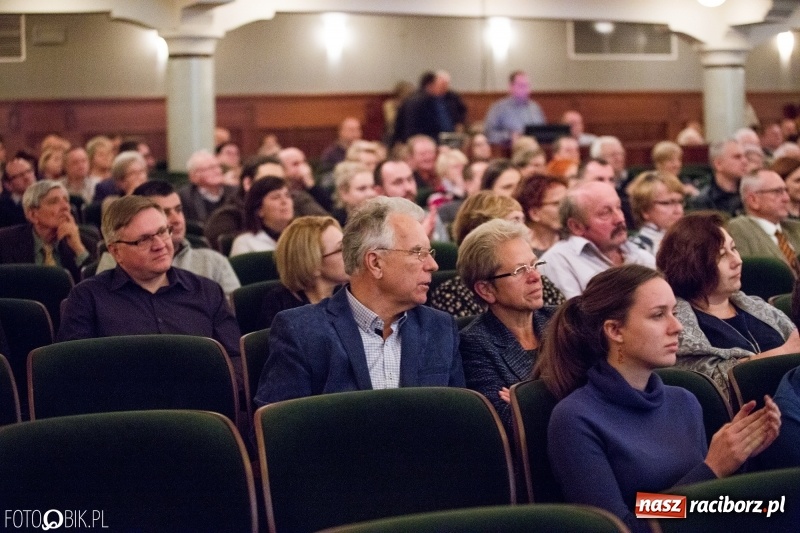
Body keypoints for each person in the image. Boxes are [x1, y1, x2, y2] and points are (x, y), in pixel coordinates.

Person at [535, 264, 781, 533]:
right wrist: (713, 468)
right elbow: (621, 526)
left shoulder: (684, 401)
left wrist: (742, 458)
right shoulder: (575, 418)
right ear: (615, 331)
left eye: (674, 313)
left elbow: (706, 508)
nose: (676, 327)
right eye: (658, 315)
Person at [253, 196, 465, 405]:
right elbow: (277, 429)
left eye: (430, 252)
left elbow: (457, 419)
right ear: (375, 263)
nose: (433, 265)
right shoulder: (302, 332)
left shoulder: (440, 327)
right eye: (418, 252)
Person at [57, 195, 241, 381]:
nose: (160, 245)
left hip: (202, 403)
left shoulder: (207, 291)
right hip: (125, 406)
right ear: (116, 251)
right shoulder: (87, 297)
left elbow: (235, 362)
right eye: (144, 240)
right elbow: (75, 371)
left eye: (162, 232)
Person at [657, 212, 800, 397]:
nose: (738, 261)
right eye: (722, 255)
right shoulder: (677, 325)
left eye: (735, 249)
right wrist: (783, 352)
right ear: (692, 264)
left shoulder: (756, 305)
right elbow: (710, 383)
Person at [458, 219, 556, 430]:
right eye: (520, 270)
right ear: (486, 290)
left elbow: (600, 397)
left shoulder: (561, 321)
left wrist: (527, 401)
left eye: (534, 264)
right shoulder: (475, 343)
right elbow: (508, 424)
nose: (535, 277)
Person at [429, 191, 565, 317]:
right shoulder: (453, 295)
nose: (527, 229)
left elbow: (566, 322)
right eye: (515, 221)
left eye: (534, 265)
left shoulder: (541, 283)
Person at [95, 181, 241, 297]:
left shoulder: (214, 261)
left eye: (178, 210)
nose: (176, 219)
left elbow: (231, 317)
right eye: (165, 212)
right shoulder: (116, 260)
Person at [539, 181, 655, 300]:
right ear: (576, 226)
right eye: (605, 213)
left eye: (619, 208)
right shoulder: (558, 261)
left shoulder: (639, 254)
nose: (619, 219)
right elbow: (572, 316)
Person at [257, 216, 349, 328]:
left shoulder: (350, 295)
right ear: (313, 263)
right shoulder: (280, 307)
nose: (351, 254)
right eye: (340, 249)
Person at [0, 180, 92, 281]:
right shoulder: (5, 241)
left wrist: (78, 248)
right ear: (33, 215)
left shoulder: (85, 241)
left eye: (66, 200)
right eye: (54, 202)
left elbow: (100, 287)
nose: (65, 207)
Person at [727, 169, 800, 275]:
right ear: (753, 200)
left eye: (786, 191)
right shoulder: (739, 228)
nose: (786, 198)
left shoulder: (796, 228)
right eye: (777, 192)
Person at [229, 176, 294, 256]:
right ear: (259, 210)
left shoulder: (301, 238)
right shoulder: (245, 243)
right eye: (276, 197)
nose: (284, 201)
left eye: (287, 196)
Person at [627, 171, 685, 256]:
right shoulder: (635, 250)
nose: (678, 210)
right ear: (644, 210)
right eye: (667, 203)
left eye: (680, 202)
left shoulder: (689, 243)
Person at [483, 71, 546, 147]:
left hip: (533, 151)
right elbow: (488, 133)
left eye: (527, 86)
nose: (526, 89)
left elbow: (543, 132)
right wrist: (509, 136)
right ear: (511, 87)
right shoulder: (499, 108)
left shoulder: (535, 108)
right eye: (521, 86)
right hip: (508, 151)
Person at [688, 139, 748, 217]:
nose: (745, 161)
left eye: (745, 156)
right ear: (718, 164)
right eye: (737, 157)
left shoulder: (749, 195)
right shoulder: (702, 202)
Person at [179, 149, 239, 224]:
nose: (217, 171)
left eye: (217, 166)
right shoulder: (185, 197)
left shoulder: (235, 191)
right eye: (210, 168)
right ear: (194, 176)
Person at [515, 175, 567, 256]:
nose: (566, 208)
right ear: (534, 213)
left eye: (566, 202)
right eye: (557, 203)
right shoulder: (524, 254)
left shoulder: (574, 240)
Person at [331, 161, 377, 227]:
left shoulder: (386, 218)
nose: (371, 193)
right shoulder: (335, 226)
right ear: (344, 193)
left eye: (373, 187)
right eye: (362, 189)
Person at [1, 155, 38, 227]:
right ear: (8, 185)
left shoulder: (48, 196)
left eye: (29, 171)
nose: (27, 177)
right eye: (20, 175)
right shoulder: (2, 208)